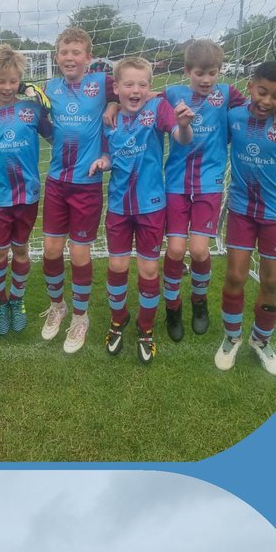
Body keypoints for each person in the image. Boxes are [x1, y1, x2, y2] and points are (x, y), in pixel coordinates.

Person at [89, 55, 194, 364]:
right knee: (117, 266)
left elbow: (181, 138)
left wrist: (184, 126)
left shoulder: (158, 108)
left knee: (148, 270)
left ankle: (146, 328)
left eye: (142, 84)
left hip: (151, 206)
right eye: (128, 84)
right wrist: (102, 162)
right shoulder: (109, 119)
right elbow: (109, 156)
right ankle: (118, 319)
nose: (135, 90)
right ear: (116, 88)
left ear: (149, 87)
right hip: (119, 207)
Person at [215, 61, 276, 376]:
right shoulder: (233, 116)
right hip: (241, 210)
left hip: (275, 214)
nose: (267, 100)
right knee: (235, 276)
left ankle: (261, 340)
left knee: (272, 280)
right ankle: (232, 337)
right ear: (250, 87)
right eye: (262, 92)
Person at [161, 39, 249, 339]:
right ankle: (172, 308)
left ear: (220, 71)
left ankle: (199, 302)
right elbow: (141, 96)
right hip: (176, 182)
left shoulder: (227, 94)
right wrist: (112, 103)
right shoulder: (172, 94)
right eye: (200, 73)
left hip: (209, 183)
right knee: (176, 249)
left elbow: (256, 108)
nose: (207, 79)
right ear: (187, 71)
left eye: (213, 73)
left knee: (199, 250)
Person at [37, 27, 118, 352]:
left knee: (80, 252)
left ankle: (80, 317)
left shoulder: (102, 82)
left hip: (87, 185)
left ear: (88, 57)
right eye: (64, 52)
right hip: (57, 182)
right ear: (56, 56)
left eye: (76, 52)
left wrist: (113, 104)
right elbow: (39, 121)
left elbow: (133, 88)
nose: (69, 58)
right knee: (51, 250)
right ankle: (58, 306)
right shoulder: (48, 88)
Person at [0, 44, 53, 335]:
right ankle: (0, 301)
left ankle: (16, 300)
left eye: (13, 81)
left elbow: (55, 136)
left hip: (28, 195)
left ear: (20, 80)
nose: (7, 87)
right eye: (0, 81)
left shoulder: (31, 109)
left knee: (20, 249)